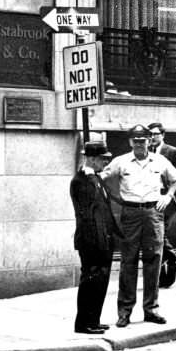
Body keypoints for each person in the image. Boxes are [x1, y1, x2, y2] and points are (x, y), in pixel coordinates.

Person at [100, 124, 176, 327]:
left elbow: (175, 179)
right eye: (135, 141)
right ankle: (125, 312)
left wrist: (168, 196)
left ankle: (151, 310)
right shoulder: (121, 161)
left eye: (142, 141)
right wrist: (116, 197)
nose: (139, 145)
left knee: (154, 260)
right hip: (131, 213)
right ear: (130, 142)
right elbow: (103, 177)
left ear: (148, 141)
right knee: (128, 262)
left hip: (154, 213)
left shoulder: (160, 160)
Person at [69, 140, 120, 335]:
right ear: (90, 158)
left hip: (104, 240)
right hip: (92, 241)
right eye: (101, 159)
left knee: (101, 281)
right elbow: (87, 217)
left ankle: (94, 320)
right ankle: (83, 324)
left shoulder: (96, 179)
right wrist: (97, 242)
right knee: (90, 282)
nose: (104, 163)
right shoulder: (80, 181)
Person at [147, 122, 176, 287]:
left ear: (162, 135)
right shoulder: (146, 152)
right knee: (156, 234)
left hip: (168, 199)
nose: (152, 137)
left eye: (155, 134)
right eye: (150, 134)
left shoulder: (172, 151)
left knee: (160, 232)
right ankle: (166, 268)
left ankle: (171, 260)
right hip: (152, 199)